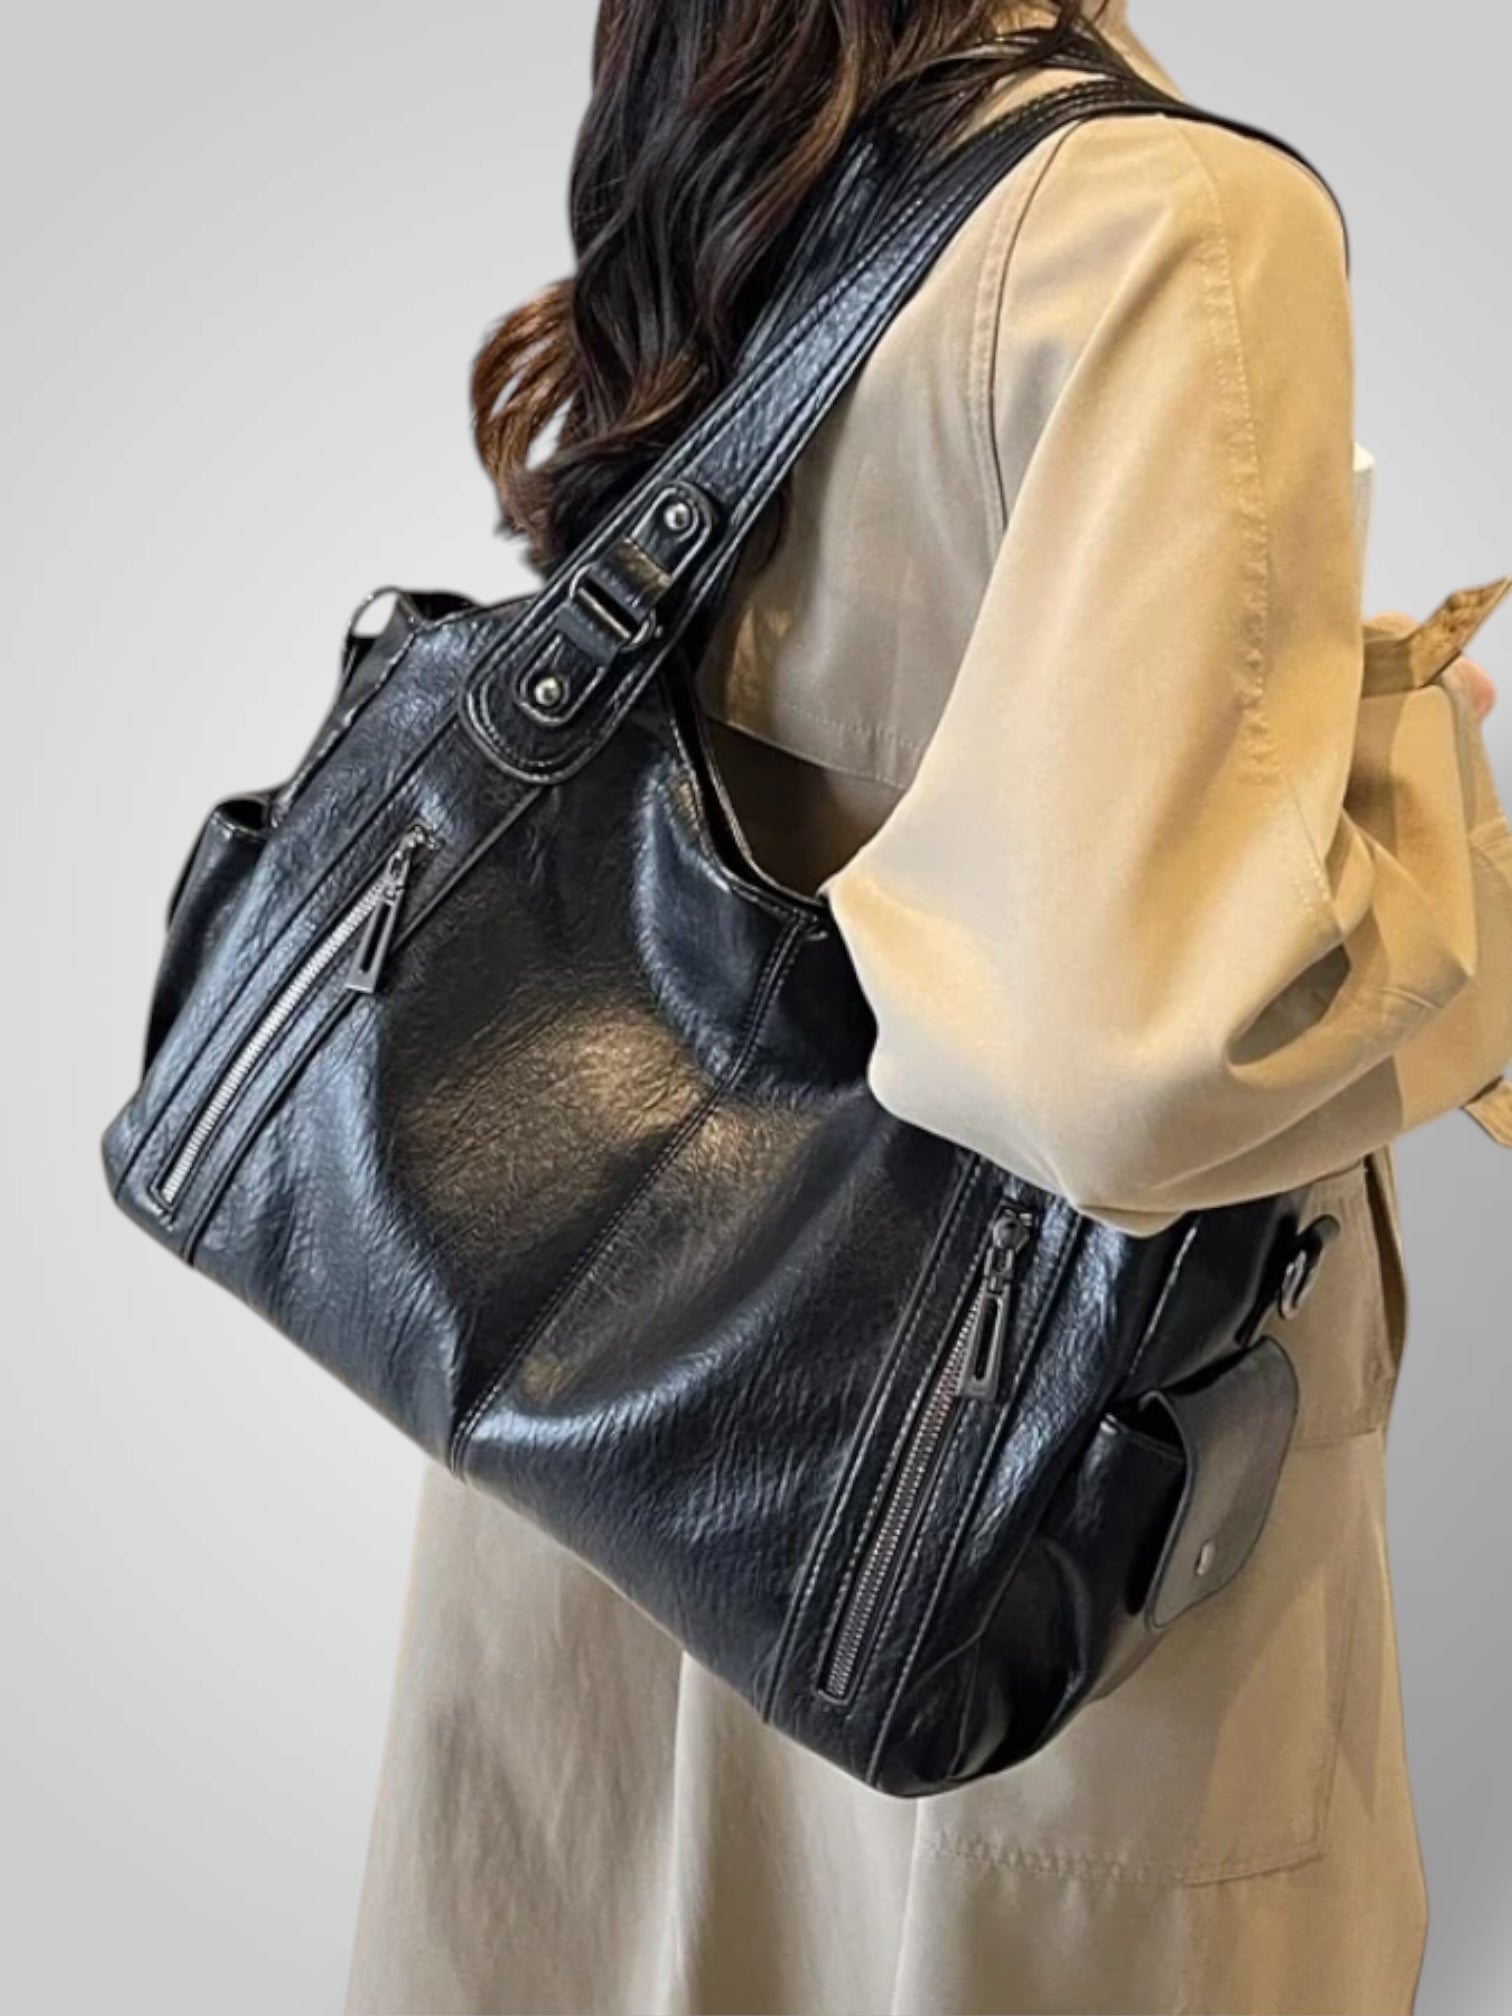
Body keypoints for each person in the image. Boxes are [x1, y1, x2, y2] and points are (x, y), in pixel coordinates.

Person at [342, 3, 1512, 2011]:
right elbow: (1139, 1063)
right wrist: (1428, 806)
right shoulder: (1167, 218)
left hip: (617, 1392)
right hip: (1000, 1470)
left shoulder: (741, 124)